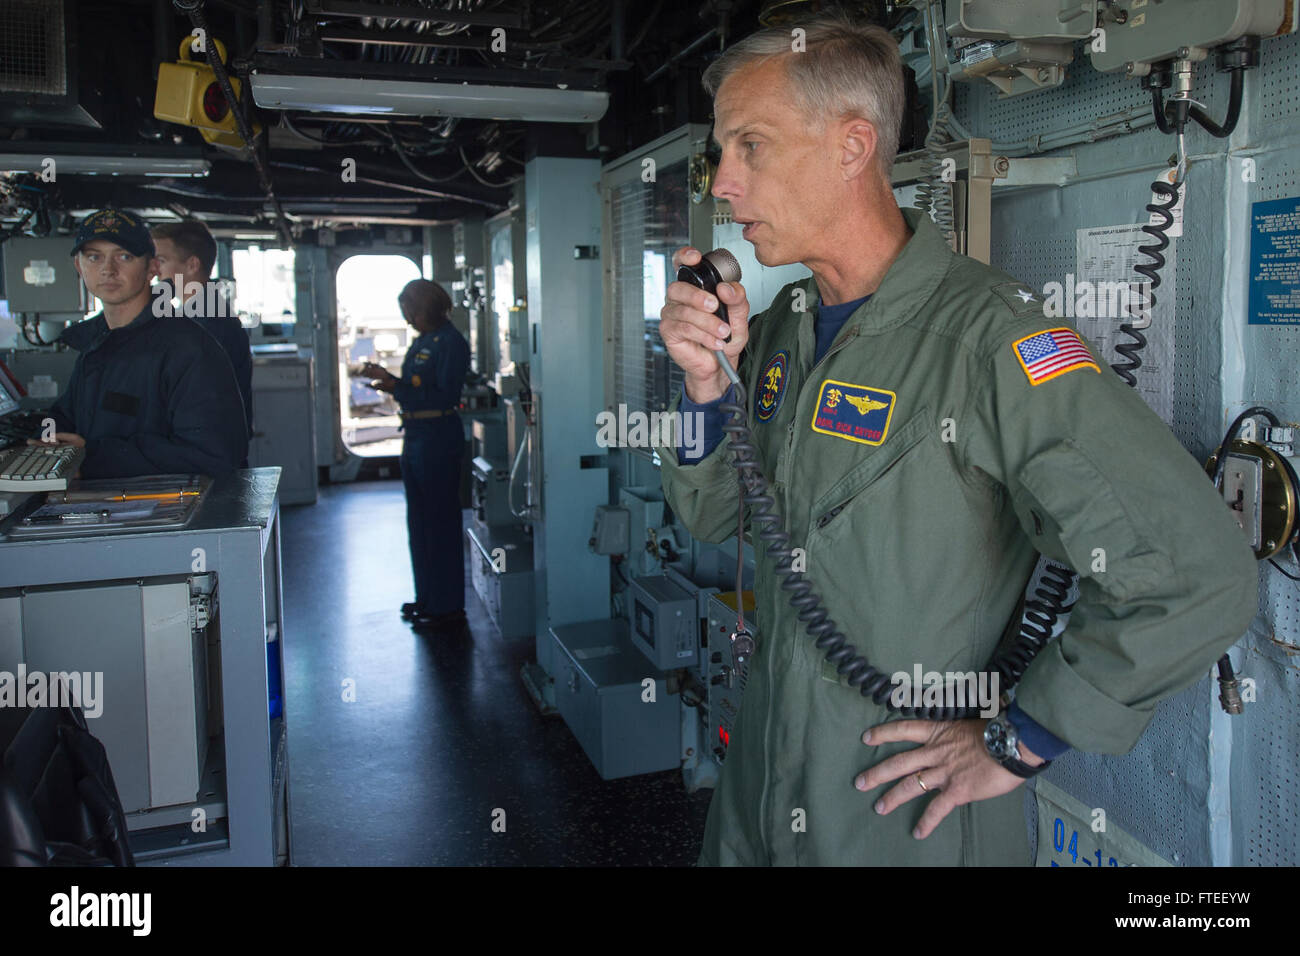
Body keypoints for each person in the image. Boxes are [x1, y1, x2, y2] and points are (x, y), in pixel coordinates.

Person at [654, 12, 1258, 866]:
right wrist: (707, 384)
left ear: (853, 147)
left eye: (750, 146)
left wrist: (1023, 740)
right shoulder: (788, 328)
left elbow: (1195, 573)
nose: (723, 185)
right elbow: (721, 517)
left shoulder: (990, 343)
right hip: (760, 792)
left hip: (902, 819)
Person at [33, 208, 248, 479]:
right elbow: (66, 415)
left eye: (125, 256)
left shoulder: (189, 349)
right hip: (105, 505)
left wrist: (89, 457)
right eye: (94, 257)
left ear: (152, 268)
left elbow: (214, 454)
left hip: (168, 512)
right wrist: (46, 439)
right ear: (79, 266)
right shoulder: (95, 345)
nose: (108, 270)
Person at [359, 279, 470, 634]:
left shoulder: (451, 343)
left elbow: (445, 394)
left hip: (438, 436)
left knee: (440, 523)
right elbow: (414, 386)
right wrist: (390, 381)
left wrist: (396, 386)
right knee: (419, 523)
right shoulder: (423, 341)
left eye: (412, 311)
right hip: (417, 436)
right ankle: (426, 597)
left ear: (430, 309)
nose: (407, 318)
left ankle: (447, 605)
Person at [151, 219, 254, 439]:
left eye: (161, 260)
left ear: (192, 265)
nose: (154, 269)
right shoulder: (198, 313)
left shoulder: (206, 323)